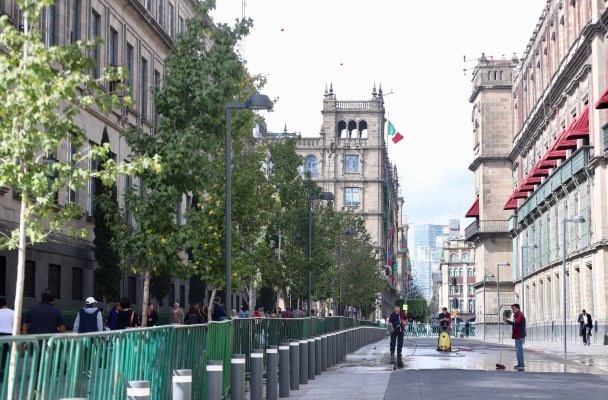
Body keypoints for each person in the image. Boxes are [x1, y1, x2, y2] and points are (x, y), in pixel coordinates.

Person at [504, 303, 526, 371]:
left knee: (519, 350)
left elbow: (516, 323)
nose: (512, 310)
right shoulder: (517, 315)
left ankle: (521, 364)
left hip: (519, 335)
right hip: (518, 335)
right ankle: (520, 364)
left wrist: (507, 321)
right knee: (518, 350)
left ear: (518, 308)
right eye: (512, 309)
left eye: (514, 308)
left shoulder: (519, 315)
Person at [0, 297, 14, 370]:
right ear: (6, 304)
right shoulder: (12, 312)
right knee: (7, 355)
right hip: (9, 335)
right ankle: (4, 371)